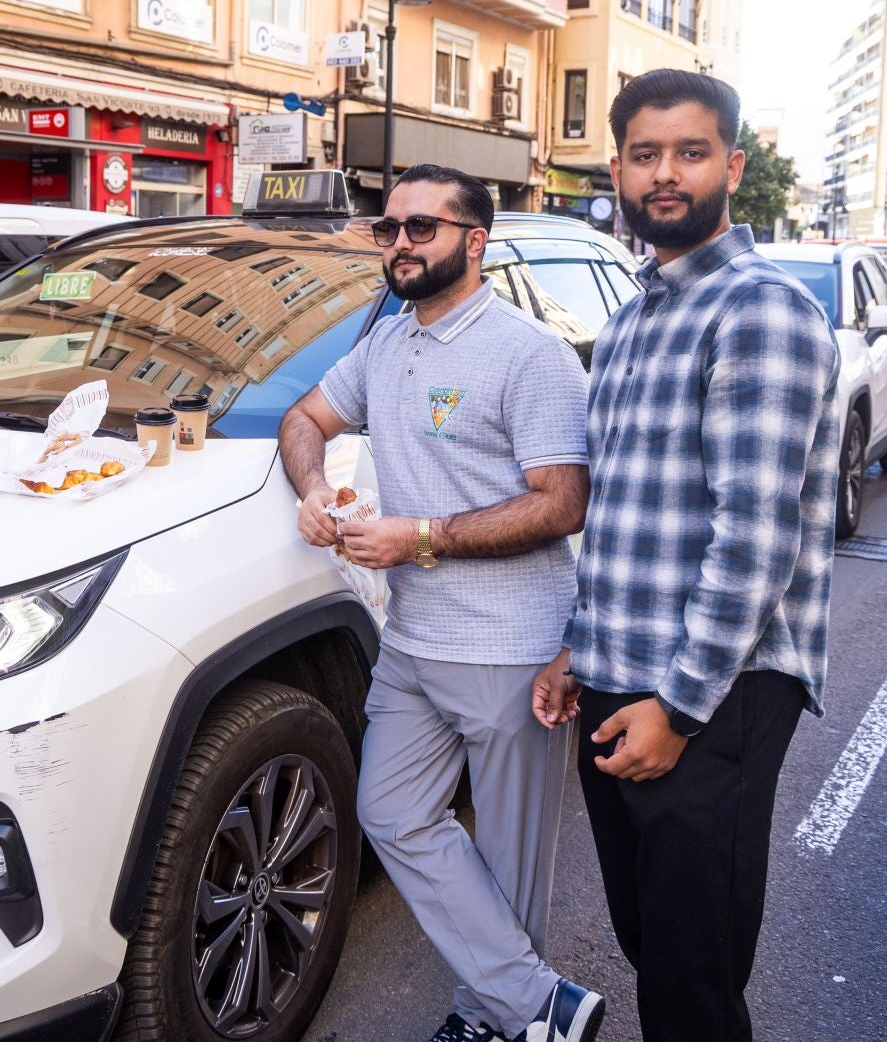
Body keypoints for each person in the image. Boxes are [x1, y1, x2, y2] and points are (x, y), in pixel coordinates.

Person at [532, 70, 839, 1042]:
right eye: (645, 154)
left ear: (732, 166)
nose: (666, 174)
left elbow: (756, 537)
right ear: (617, 168)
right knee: (652, 949)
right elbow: (625, 513)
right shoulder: (628, 324)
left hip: (719, 691)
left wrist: (680, 708)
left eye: (691, 152)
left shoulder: (759, 310)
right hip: (627, 675)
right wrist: (580, 646)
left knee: (692, 982)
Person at [280, 165, 604, 1042]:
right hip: (414, 638)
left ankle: (494, 1019)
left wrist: (418, 535)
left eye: (421, 227)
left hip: (511, 645)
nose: (400, 244)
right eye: (390, 229)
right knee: (387, 811)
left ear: (475, 241)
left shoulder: (528, 353)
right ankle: (540, 1005)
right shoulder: (386, 345)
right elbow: (302, 421)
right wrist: (314, 492)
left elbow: (561, 502)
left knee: (508, 860)